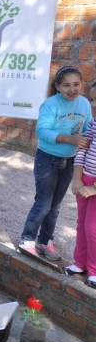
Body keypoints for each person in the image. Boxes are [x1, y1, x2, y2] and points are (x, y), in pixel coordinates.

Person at [18, 66, 91, 260]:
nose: (71, 89)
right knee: (43, 203)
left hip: (71, 161)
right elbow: (42, 132)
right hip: (47, 159)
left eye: (76, 84)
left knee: (56, 205)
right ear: (57, 86)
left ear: (82, 85)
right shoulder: (51, 105)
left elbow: (87, 129)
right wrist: (70, 139)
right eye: (66, 85)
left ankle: (45, 241)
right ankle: (27, 240)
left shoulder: (84, 104)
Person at [67, 81, 96, 289]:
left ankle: (94, 270)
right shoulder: (94, 121)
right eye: (93, 100)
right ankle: (80, 263)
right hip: (85, 178)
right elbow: (83, 149)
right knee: (81, 224)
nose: (94, 105)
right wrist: (77, 178)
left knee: (93, 227)